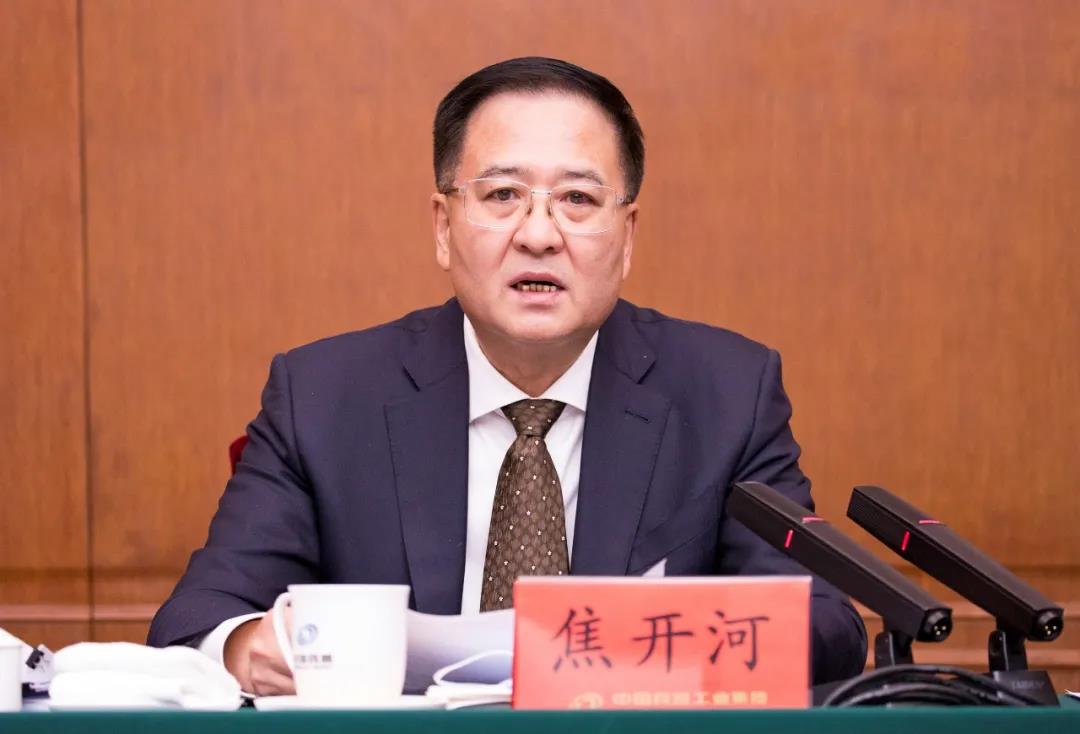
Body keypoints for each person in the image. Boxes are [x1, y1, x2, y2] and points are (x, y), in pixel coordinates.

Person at [148, 56, 866, 694]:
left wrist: (643, 645)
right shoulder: (324, 397)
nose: (539, 234)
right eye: (501, 196)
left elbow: (825, 626)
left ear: (627, 238)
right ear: (442, 226)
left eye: (578, 200)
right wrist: (244, 649)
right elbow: (198, 620)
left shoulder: (727, 394)